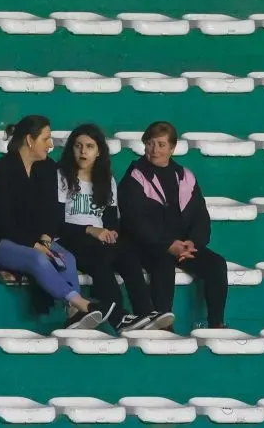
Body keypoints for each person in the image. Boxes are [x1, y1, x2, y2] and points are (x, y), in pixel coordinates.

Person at [0, 115, 115, 330]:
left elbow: (51, 213)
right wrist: (34, 245)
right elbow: (2, 221)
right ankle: (81, 304)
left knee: (66, 258)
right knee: (37, 259)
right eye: (46, 139)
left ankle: (73, 315)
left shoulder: (47, 168)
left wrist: (46, 239)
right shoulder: (1, 170)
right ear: (30, 141)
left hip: (36, 239)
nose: (51, 145)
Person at [55, 124, 175, 333]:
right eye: (78, 146)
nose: (83, 151)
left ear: (98, 151)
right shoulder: (60, 177)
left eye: (89, 146)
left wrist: (111, 233)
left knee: (128, 255)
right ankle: (119, 318)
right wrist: (91, 230)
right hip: (71, 238)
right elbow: (55, 222)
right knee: (100, 260)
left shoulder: (106, 179)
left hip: (99, 238)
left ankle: (145, 313)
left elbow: (111, 221)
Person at [118, 121, 229, 329]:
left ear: (172, 148)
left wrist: (193, 243)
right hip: (147, 246)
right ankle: (162, 323)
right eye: (150, 144)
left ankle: (217, 323)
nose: (155, 150)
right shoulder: (135, 176)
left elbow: (200, 216)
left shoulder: (185, 177)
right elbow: (135, 221)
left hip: (183, 246)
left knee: (216, 264)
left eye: (161, 145)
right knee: (164, 261)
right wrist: (167, 244)